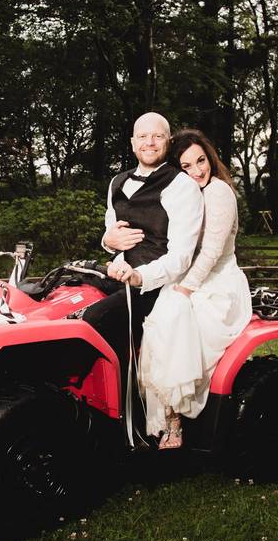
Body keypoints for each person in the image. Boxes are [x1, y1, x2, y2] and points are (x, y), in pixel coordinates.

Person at [83, 113, 204, 434]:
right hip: (119, 274)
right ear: (133, 143)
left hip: (158, 285)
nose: (149, 142)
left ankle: (117, 422)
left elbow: (181, 256)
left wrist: (142, 277)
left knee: (94, 321)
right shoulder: (117, 182)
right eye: (143, 137)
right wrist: (107, 242)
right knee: (64, 302)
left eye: (158, 137)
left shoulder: (182, 186)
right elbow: (112, 234)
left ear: (167, 142)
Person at [137, 128, 252, 449]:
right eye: (187, 166)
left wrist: (185, 290)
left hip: (218, 282)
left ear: (210, 158)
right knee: (157, 324)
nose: (198, 170)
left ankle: (178, 425)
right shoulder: (182, 195)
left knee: (177, 320)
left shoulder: (219, 192)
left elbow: (212, 251)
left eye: (201, 160)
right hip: (187, 277)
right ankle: (167, 419)